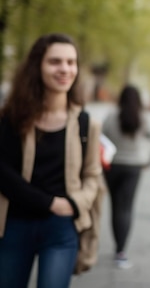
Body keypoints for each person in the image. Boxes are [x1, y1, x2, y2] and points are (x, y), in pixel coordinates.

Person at [0, 33, 102, 287]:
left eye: (71, 62)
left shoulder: (85, 123)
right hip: (14, 224)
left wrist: (73, 203)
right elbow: (3, 174)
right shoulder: (11, 118)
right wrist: (50, 203)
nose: (65, 69)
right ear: (38, 66)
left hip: (61, 228)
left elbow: (93, 176)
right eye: (55, 61)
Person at [101, 85, 150, 269]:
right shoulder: (145, 118)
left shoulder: (111, 116)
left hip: (112, 167)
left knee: (115, 207)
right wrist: (148, 162)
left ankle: (117, 246)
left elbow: (99, 140)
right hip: (133, 168)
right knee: (126, 208)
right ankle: (121, 252)